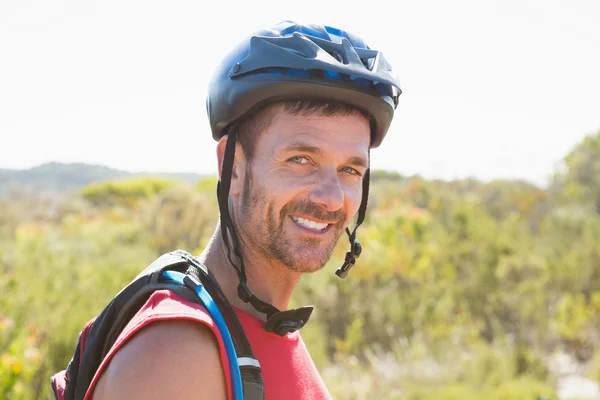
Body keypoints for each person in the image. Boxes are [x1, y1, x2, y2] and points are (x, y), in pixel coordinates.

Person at [89, 20, 401, 399]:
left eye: (350, 170)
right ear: (232, 167)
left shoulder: (265, 327)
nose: (332, 198)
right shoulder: (177, 354)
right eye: (301, 159)